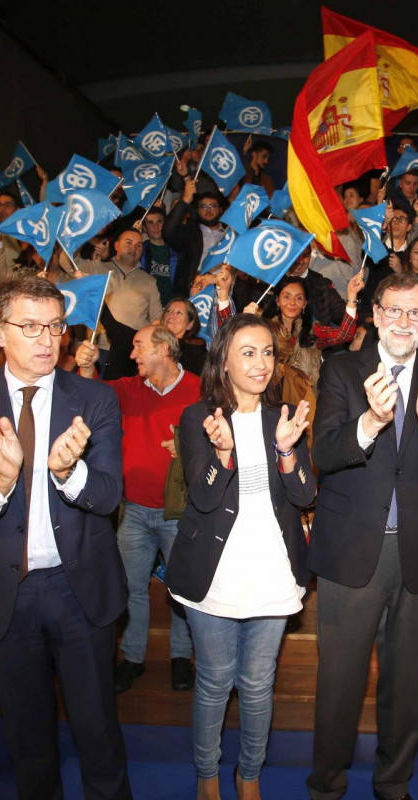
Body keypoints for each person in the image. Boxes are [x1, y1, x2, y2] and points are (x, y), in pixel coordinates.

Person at [0, 277, 130, 797]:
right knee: (27, 738)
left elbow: (108, 497)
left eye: (56, 326)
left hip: (78, 589)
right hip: (3, 592)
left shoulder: (96, 400)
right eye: (31, 327)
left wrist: (68, 474)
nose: (48, 339)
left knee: (98, 730)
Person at [306, 272, 418, 800]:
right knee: (340, 683)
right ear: (376, 315)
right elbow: (326, 454)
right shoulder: (340, 370)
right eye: (395, 311)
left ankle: (394, 783)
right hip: (352, 551)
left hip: (413, 552)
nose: (404, 322)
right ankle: (327, 786)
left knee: (404, 686)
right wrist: (372, 421)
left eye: (416, 313)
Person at [164, 313, 315, 800]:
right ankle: (208, 776)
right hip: (216, 572)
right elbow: (205, 499)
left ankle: (248, 776)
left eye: (268, 352)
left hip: (272, 569)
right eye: (248, 352)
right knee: (213, 682)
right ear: (223, 362)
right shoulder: (199, 418)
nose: (261, 363)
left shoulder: (285, 416)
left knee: (256, 685)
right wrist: (224, 454)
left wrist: (289, 453)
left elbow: (305, 493)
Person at [74, 324, 202, 695]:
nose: (132, 355)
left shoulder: (199, 390)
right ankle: (132, 659)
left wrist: (190, 447)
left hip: (181, 513)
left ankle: (181, 658)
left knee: (181, 590)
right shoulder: (130, 389)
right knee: (130, 588)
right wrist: (85, 367)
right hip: (132, 512)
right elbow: (89, 396)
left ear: (163, 349)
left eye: (138, 346)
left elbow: (222, 437)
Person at [161, 297, 208, 375]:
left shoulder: (196, 353)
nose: (171, 315)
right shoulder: (150, 343)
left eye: (179, 313)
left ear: (189, 324)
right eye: (168, 311)